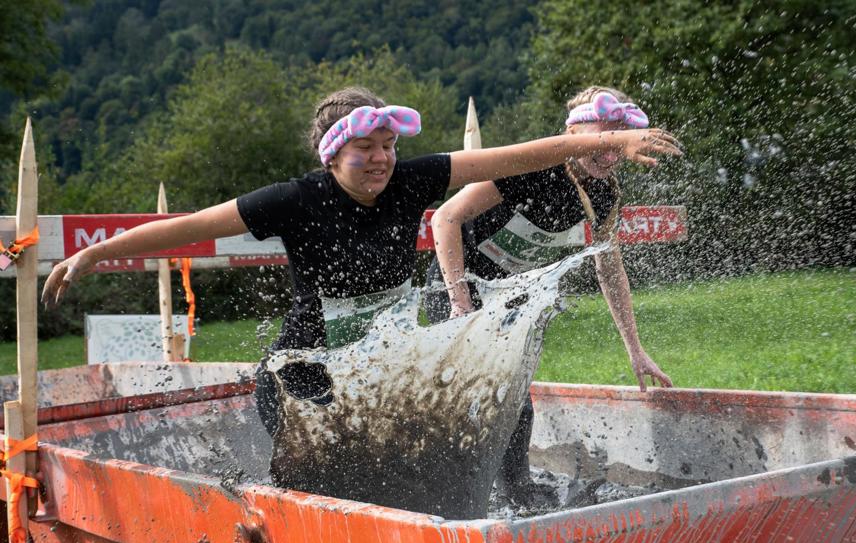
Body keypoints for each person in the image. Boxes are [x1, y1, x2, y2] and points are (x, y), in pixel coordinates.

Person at [41, 85, 681, 493]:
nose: (380, 160)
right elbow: (191, 227)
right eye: (364, 150)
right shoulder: (295, 200)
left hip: (383, 353)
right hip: (304, 369)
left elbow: (514, 155)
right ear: (331, 156)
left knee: (401, 458)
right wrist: (98, 251)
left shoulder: (411, 181)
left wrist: (619, 139)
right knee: (311, 478)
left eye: (388, 146)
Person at [425, 86, 675, 502]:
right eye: (602, 139)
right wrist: (459, 303)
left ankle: (515, 491)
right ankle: (456, 483)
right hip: (457, 285)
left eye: (618, 141)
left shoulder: (604, 192)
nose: (610, 153)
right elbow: (446, 218)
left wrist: (635, 349)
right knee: (471, 394)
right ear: (573, 132)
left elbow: (609, 267)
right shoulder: (532, 166)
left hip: (510, 294)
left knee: (515, 399)